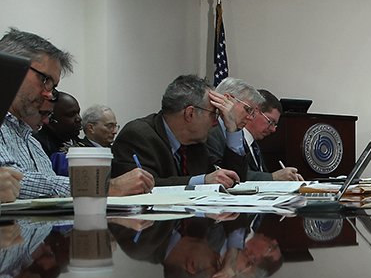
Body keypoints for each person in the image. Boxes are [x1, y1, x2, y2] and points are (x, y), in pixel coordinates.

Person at [0, 28, 153, 198]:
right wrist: (104, 187)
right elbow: (16, 183)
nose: (49, 94)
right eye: (45, 80)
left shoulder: (31, 142)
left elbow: (45, 197)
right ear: (11, 68)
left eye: (53, 86)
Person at [111, 74, 245, 187]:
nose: (216, 122)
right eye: (213, 114)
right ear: (190, 114)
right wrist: (201, 181)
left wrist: (232, 128)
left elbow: (232, 180)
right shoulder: (137, 135)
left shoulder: (195, 144)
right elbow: (141, 186)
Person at [241, 89, 302, 181]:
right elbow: (238, 175)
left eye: (275, 125)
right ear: (254, 111)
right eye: (270, 122)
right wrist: (273, 177)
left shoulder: (255, 147)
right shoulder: (231, 140)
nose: (273, 129)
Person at [205, 77, 262, 174]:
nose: (249, 117)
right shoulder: (208, 130)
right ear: (227, 99)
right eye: (247, 109)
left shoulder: (237, 134)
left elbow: (240, 175)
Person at [33, 91, 86, 156]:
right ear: (50, 117)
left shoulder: (80, 143)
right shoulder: (38, 145)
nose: (79, 119)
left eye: (78, 113)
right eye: (71, 115)